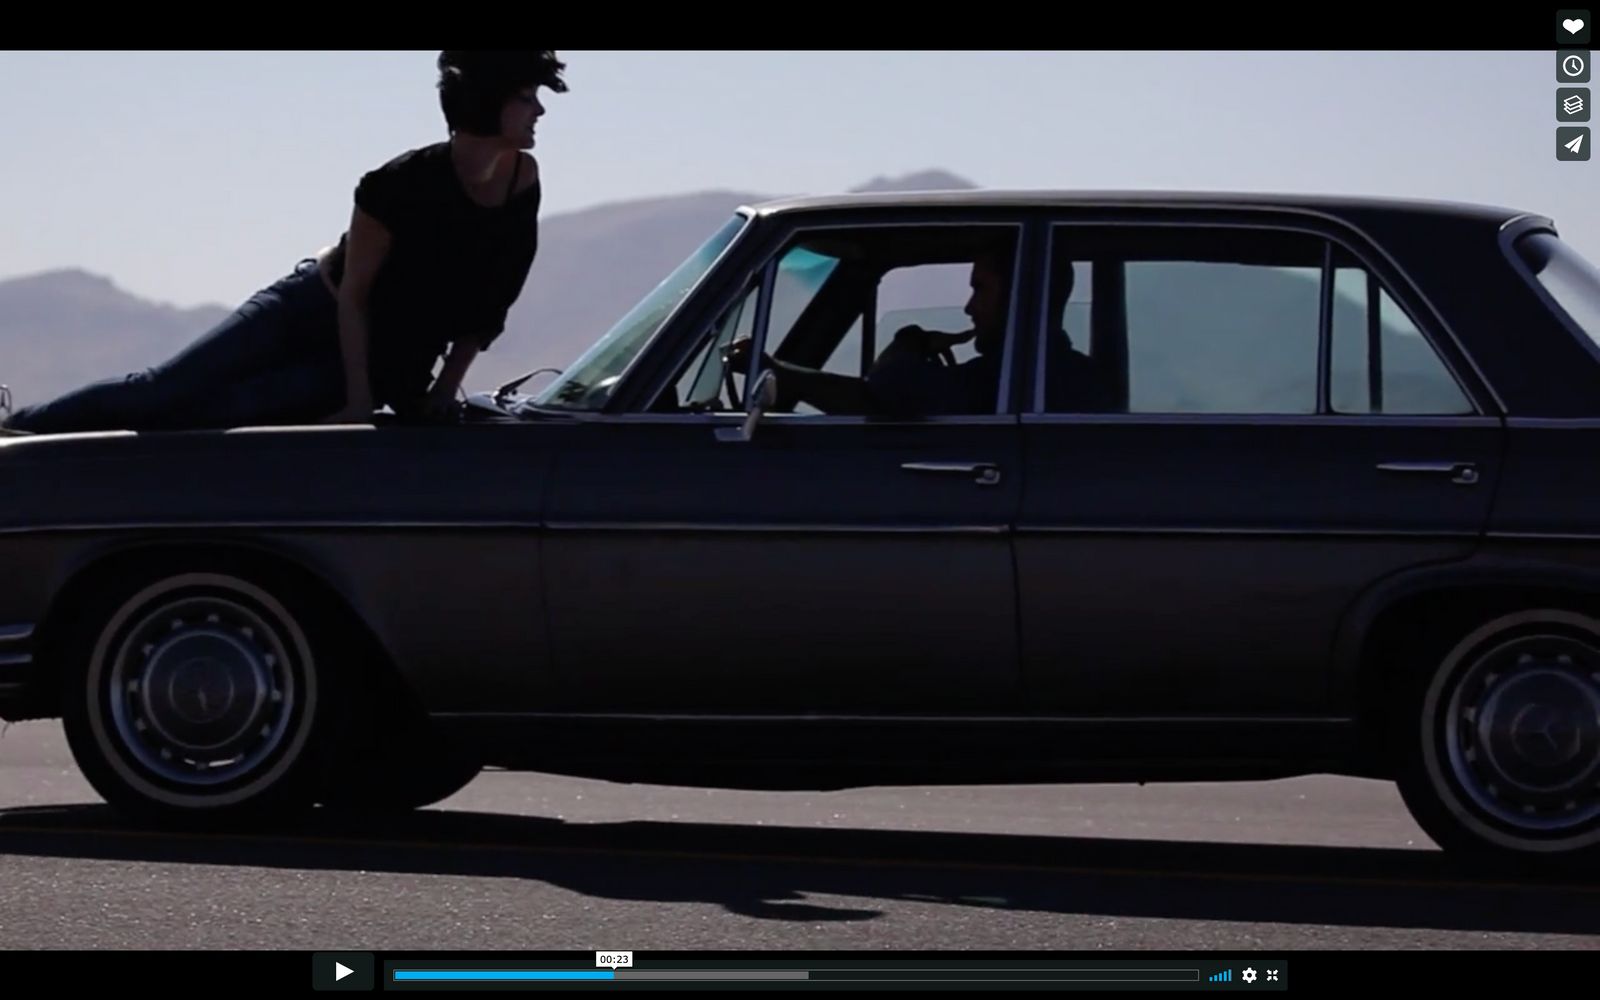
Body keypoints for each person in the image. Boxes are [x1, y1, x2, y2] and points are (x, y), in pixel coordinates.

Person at [2, 50, 566, 435]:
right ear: (488, 99)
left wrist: (445, 389)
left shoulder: (522, 183)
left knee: (219, 415)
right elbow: (353, 296)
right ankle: (16, 429)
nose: (539, 109)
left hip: (390, 356)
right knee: (162, 392)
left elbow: (493, 300)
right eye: (526, 96)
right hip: (309, 307)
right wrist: (357, 401)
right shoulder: (396, 186)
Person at [727, 246, 1113, 416]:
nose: (969, 307)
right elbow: (879, 399)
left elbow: (886, 391)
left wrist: (909, 342)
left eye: (981, 289)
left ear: (1019, 298)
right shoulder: (1065, 375)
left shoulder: (1011, 380)